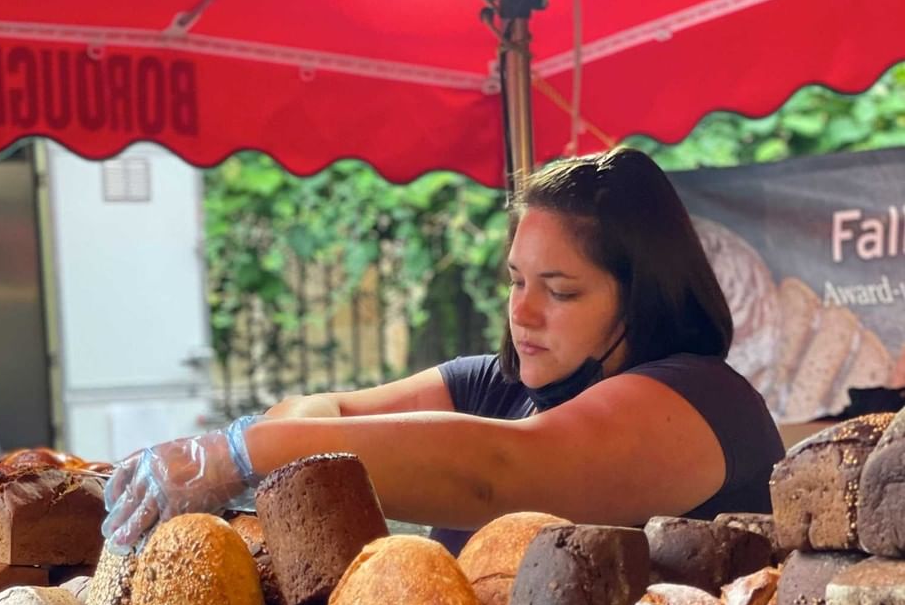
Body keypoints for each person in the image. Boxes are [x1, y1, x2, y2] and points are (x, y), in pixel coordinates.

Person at [102, 146, 785, 555]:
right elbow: (326, 410)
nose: (521, 310)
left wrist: (240, 453)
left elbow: (501, 471)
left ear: (645, 298)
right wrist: (262, 442)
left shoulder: (704, 398)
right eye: (516, 281)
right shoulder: (493, 389)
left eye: (561, 290)